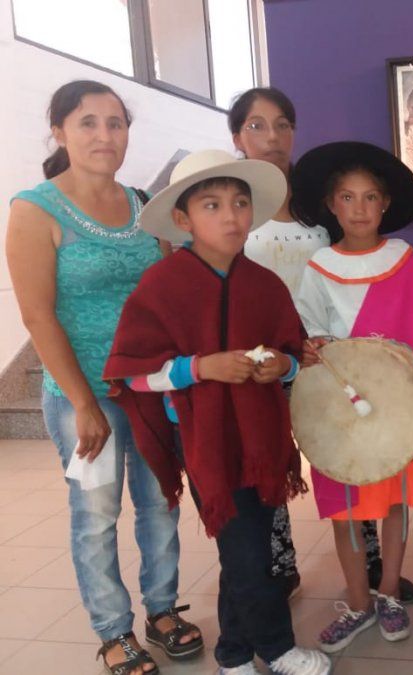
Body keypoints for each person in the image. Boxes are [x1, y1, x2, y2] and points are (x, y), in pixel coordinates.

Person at [102, 149, 331, 675]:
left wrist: (282, 367)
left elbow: (290, 352)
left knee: (246, 549)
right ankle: (276, 649)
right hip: (203, 439)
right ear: (183, 220)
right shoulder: (162, 285)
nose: (230, 216)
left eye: (240, 203)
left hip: (260, 439)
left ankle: (233, 655)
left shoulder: (265, 284)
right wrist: (199, 368)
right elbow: (132, 374)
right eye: (212, 205)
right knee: (247, 550)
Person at [6, 80, 202, 675]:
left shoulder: (146, 205)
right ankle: (114, 631)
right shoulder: (34, 209)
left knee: (160, 503)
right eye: (88, 123)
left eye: (115, 123)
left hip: (148, 390)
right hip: (82, 395)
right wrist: (83, 402)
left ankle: (163, 610)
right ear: (59, 131)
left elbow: (169, 296)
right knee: (95, 516)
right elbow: (37, 316)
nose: (104, 135)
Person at [291, 141, 413, 652]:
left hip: (399, 406)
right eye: (348, 197)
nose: (359, 208)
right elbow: (311, 334)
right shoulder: (318, 266)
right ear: (331, 205)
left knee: (395, 501)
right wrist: (311, 348)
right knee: (346, 508)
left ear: (385, 204)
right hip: (340, 407)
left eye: (370, 197)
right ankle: (358, 602)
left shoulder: (403, 260)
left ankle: (390, 592)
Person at [228, 86, 324, 599]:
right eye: (257, 125)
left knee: (342, 454)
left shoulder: (318, 202)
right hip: (263, 361)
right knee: (270, 462)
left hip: (323, 355)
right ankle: (280, 564)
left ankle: (368, 558)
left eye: (283, 124)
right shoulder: (231, 208)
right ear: (237, 136)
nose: (272, 137)